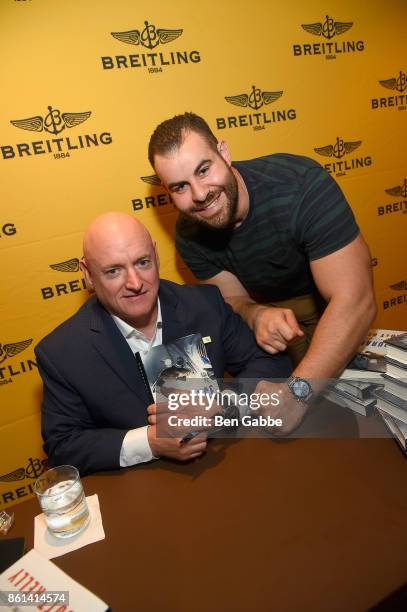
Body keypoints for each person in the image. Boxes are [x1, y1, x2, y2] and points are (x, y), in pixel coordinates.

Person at [148, 112, 377, 425]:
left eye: (204, 170)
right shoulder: (189, 235)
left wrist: (298, 393)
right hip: (276, 328)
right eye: (180, 187)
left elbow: (356, 300)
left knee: (363, 424)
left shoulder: (299, 184)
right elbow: (234, 300)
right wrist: (256, 314)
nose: (200, 194)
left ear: (224, 153)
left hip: (334, 310)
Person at [35, 213, 291, 475]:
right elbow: (62, 446)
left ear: (156, 256)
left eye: (142, 262)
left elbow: (271, 362)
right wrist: (149, 442)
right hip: (141, 488)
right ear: (88, 275)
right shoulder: (62, 352)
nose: (135, 283)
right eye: (113, 271)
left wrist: (223, 404)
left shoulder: (204, 305)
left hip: (226, 466)